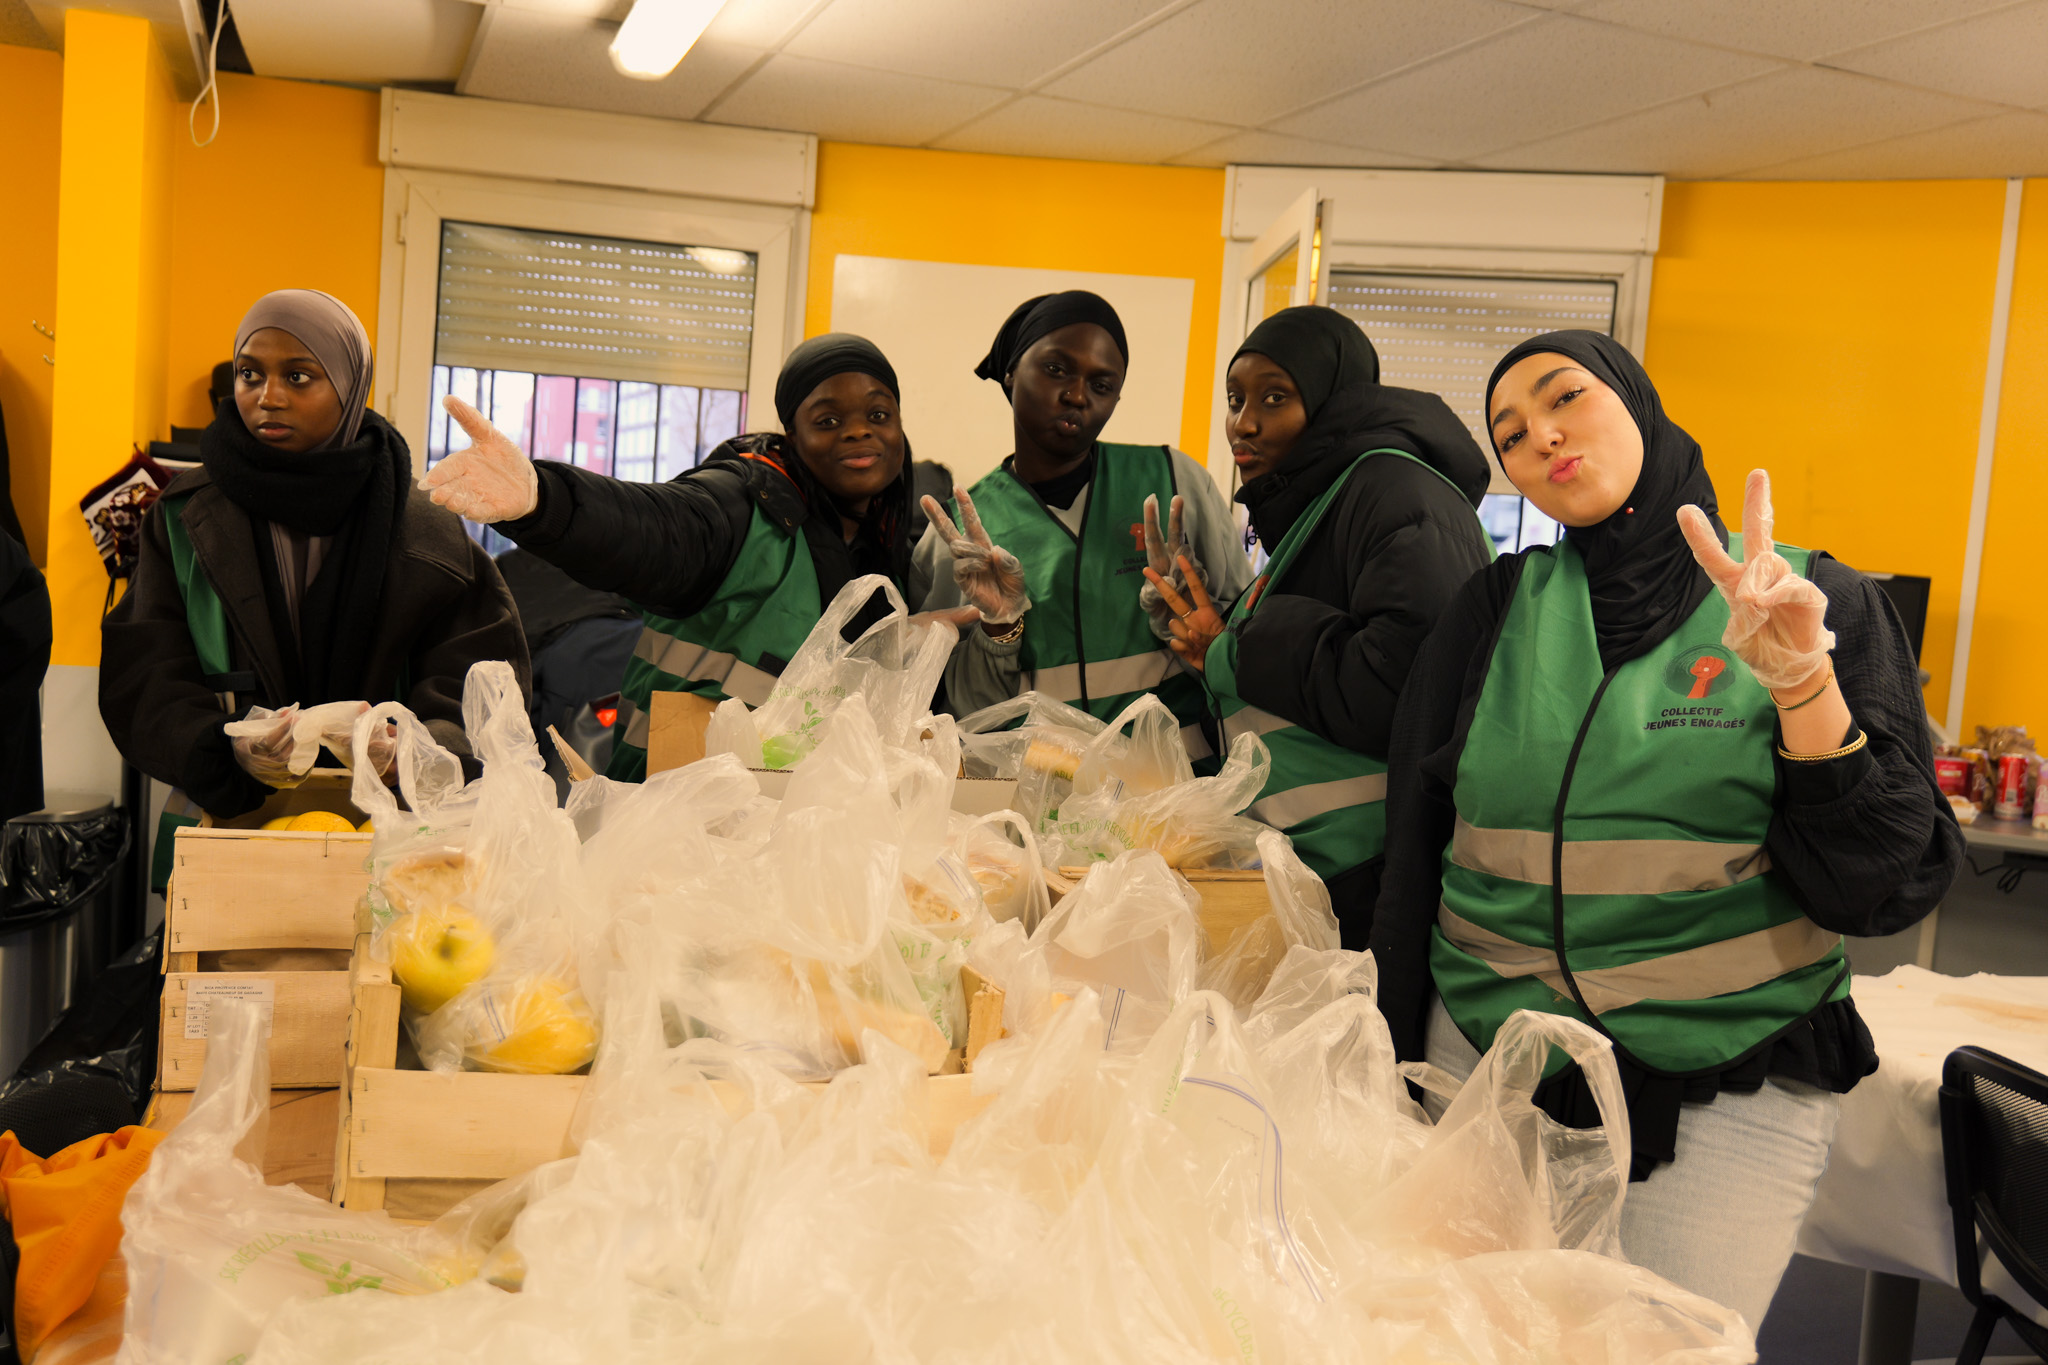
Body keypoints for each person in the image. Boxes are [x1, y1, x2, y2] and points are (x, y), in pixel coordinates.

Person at [1367, 330, 1962, 1328]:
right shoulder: (1492, 610)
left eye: (1566, 398)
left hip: (1719, 1085)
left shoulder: (1821, 601)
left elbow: (1875, 887)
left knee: (1660, 1351)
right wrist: (1385, 1064)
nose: (1542, 437)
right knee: (1463, 1344)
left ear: (1636, 402)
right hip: (1487, 1067)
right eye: (1509, 434)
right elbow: (1413, 849)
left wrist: (1800, 683)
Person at [421, 333, 980, 781]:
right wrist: (544, 501)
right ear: (791, 432)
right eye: (828, 420)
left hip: (787, 829)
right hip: (673, 824)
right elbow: (648, 527)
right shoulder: (740, 506)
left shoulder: (888, 541)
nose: (859, 430)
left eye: (879, 415)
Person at [101, 291, 528, 872]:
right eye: (250, 373)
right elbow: (144, 671)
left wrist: (413, 747)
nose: (267, 397)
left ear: (351, 390)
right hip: (228, 833)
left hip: (399, 841)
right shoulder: (184, 519)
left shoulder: (425, 529)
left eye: (299, 377)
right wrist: (221, 748)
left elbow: (484, 682)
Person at [1143, 305, 1493, 948]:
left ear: (1337, 402)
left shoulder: (1396, 492)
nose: (1243, 423)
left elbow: (1405, 690)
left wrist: (1246, 641)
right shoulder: (1334, 495)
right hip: (1311, 870)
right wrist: (1217, 645)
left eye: (1274, 398)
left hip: (1365, 877)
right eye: (1235, 398)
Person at [917, 291, 1247, 754]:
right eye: (1056, 370)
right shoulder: (961, 535)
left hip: (1174, 793)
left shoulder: (1174, 483)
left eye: (1102, 384)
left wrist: (1191, 624)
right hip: (1037, 802)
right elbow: (962, 714)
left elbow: (1244, 651)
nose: (1076, 396)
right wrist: (999, 631)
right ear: (1011, 371)